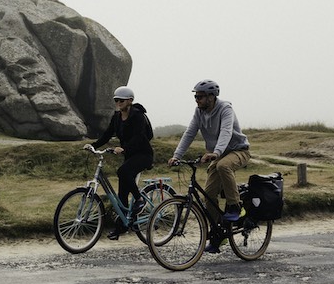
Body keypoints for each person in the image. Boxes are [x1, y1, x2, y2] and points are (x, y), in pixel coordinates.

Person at [170, 79, 250, 252]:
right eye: (195, 97)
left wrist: (217, 152)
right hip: (219, 155)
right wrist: (177, 155)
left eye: (200, 97)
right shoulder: (199, 112)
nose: (197, 100)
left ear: (212, 97)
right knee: (208, 195)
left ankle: (236, 207)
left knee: (222, 166)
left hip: (238, 150)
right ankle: (218, 234)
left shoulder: (225, 109)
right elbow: (189, 133)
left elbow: (226, 131)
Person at [90, 85, 155, 239]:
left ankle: (139, 199)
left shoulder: (138, 116)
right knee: (122, 192)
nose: (118, 102)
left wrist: (123, 148)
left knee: (122, 172)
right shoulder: (117, 117)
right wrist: (93, 146)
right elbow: (107, 135)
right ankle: (122, 227)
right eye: (116, 100)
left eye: (121, 100)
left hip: (143, 154)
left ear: (130, 101)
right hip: (130, 155)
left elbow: (140, 137)